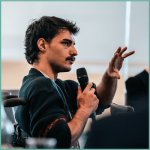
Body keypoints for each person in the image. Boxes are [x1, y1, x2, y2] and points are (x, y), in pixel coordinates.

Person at [15, 16, 135, 148]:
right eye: (66, 43)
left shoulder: (59, 86)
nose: (74, 52)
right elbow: (58, 141)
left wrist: (110, 74)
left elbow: (100, 100)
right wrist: (84, 109)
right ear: (42, 45)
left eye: (73, 44)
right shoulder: (40, 86)